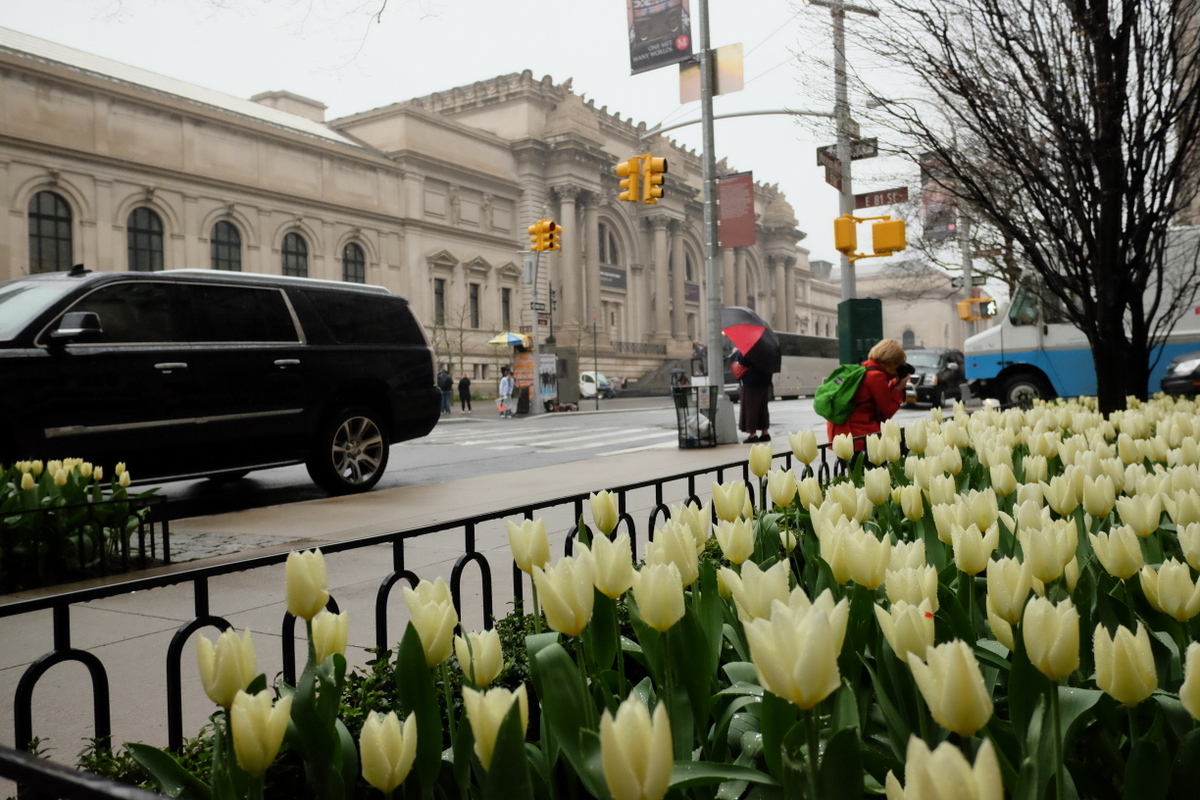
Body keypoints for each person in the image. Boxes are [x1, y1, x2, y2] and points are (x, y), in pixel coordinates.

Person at [826, 339, 912, 444]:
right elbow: (887, 411)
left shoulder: (865, 368)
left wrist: (893, 385)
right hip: (858, 434)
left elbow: (875, 398)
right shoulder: (876, 376)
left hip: (842, 432)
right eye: (898, 364)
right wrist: (899, 388)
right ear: (892, 362)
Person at [732, 347, 773, 443]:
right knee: (763, 408)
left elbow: (743, 362)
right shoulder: (767, 349)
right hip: (764, 381)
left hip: (751, 382)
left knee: (750, 407)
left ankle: (752, 434)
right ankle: (765, 432)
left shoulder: (750, 348)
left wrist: (736, 353)